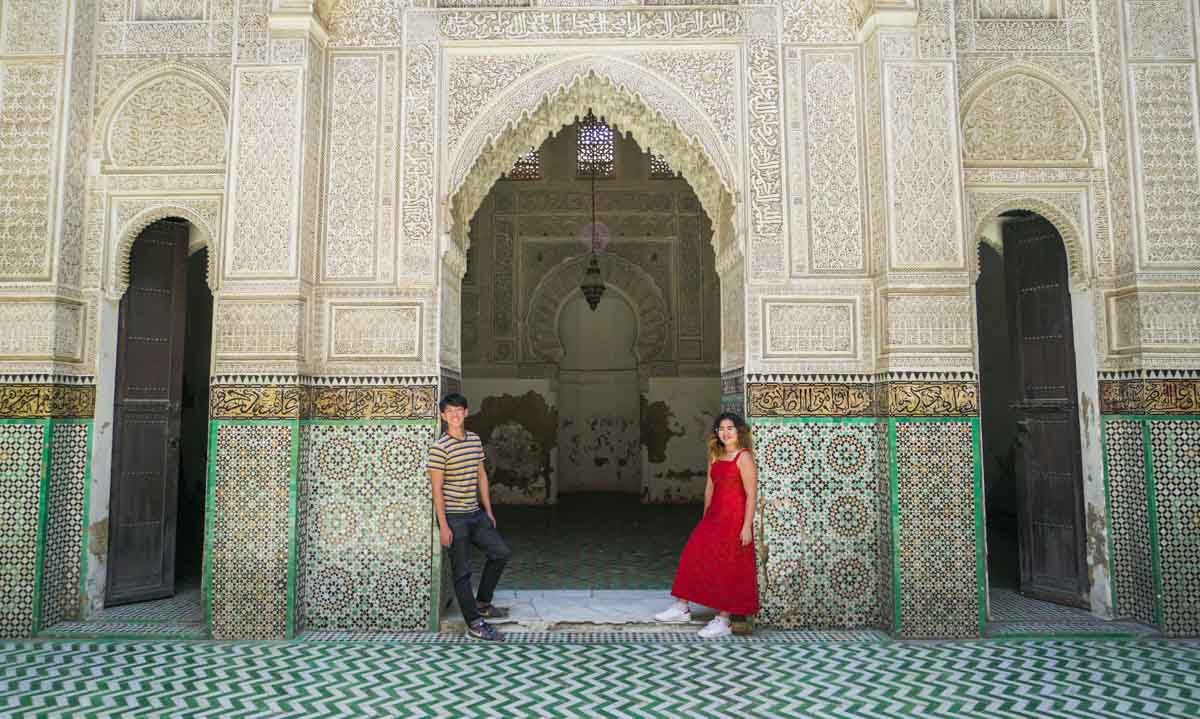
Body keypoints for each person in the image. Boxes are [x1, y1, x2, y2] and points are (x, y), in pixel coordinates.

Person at [654, 412, 760, 638]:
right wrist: (705, 519)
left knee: (730, 567)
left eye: (730, 428)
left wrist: (746, 527)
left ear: (739, 431)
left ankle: (723, 620)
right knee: (693, 555)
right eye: (721, 429)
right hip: (715, 518)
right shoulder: (715, 454)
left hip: (735, 519)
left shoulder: (744, 458)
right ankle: (682, 607)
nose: (725, 432)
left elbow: (752, 495)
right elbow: (709, 488)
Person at [428, 392, 511, 641]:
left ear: (465, 412)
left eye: (459, 410)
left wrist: (488, 510)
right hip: (454, 518)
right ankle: (475, 623)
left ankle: (483, 602)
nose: (455, 415)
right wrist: (443, 525)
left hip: (475, 514)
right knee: (462, 572)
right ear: (443, 416)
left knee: (501, 553)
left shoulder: (474, 440)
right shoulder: (439, 448)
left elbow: (481, 476)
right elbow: (437, 491)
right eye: (449, 411)